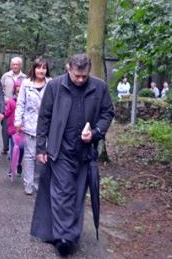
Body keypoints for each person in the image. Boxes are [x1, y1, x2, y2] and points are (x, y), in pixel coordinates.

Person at [31, 54, 114, 256]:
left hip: (85, 152)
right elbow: (44, 117)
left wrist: (95, 133)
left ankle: (70, 234)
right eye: (76, 75)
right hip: (60, 150)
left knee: (77, 194)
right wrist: (41, 147)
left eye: (84, 76)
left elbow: (107, 113)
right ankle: (64, 238)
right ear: (68, 68)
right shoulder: (55, 86)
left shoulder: (99, 87)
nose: (80, 80)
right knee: (62, 192)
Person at [14, 57, 51, 195]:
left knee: (41, 156)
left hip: (46, 126)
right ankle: (28, 183)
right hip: (29, 124)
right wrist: (18, 121)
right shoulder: (26, 83)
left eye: (44, 68)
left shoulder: (51, 84)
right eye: (38, 67)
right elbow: (20, 103)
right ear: (34, 69)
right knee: (29, 156)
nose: (41, 70)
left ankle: (37, 182)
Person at [0, 57, 26, 155]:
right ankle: (5, 146)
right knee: (5, 127)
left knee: (16, 128)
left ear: (20, 65)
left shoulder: (25, 78)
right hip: (7, 105)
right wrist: (5, 99)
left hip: (19, 107)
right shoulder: (5, 76)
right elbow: (0, 90)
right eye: (13, 64)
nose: (15, 66)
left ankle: (14, 149)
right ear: (11, 65)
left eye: (17, 64)